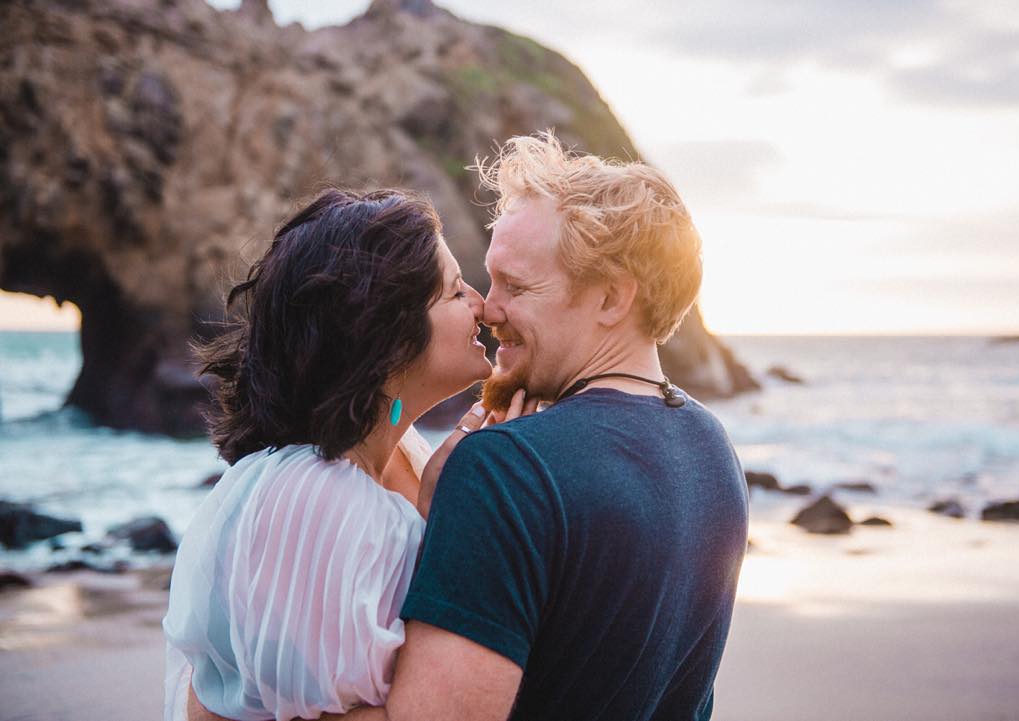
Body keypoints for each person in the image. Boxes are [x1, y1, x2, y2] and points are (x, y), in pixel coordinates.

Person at [191, 133, 749, 721]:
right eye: (484, 280)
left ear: (612, 298)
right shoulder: (711, 449)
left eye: (518, 285)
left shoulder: (504, 468)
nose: (489, 306)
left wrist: (217, 704)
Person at [163, 188, 501, 721]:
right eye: (456, 293)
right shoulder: (311, 496)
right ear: (388, 337)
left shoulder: (404, 452)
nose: (482, 306)